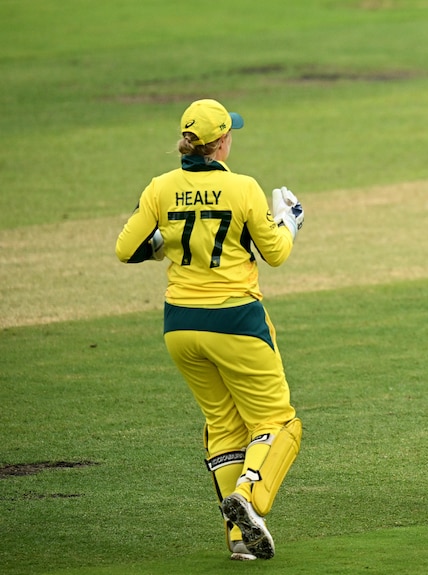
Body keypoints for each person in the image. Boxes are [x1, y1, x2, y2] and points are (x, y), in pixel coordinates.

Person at [115, 98, 306, 558]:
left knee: (223, 426)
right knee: (279, 423)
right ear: (221, 143)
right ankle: (250, 497)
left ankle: (239, 539)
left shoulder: (160, 187)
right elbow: (275, 252)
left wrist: (162, 242)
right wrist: (292, 221)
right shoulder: (243, 188)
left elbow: (127, 248)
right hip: (236, 320)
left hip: (180, 326)